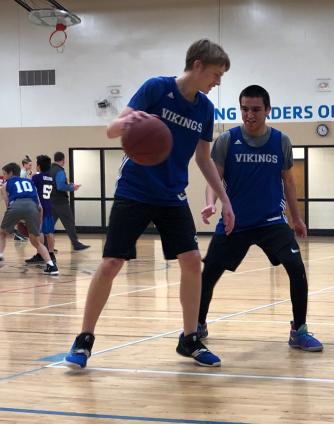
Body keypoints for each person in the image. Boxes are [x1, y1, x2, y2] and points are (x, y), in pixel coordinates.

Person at [64, 39, 234, 369]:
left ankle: (189, 339)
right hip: (135, 189)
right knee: (112, 263)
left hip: (172, 195)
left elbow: (202, 157)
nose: (218, 82)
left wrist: (224, 199)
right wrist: (128, 122)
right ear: (197, 65)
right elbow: (111, 131)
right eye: (216, 74)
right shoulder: (156, 88)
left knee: (192, 261)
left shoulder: (204, 109)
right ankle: (84, 338)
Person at [198, 85, 323, 352]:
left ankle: (298, 331)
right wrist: (210, 203)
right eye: (244, 109)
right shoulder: (227, 141)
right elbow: (214, 178)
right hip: (235, 222)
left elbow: (289, 182)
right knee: (207, 275)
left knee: (297, 269)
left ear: (268, 110)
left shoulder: (281, 141)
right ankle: (198, 325)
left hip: (272, 223)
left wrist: (296, 219)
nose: (249, 115)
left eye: (255, 109)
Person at [0, 162, 59, 275]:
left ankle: (0, 256)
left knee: (2, 233)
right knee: (36, 241)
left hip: (16, 205)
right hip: (33, 208)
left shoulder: (6, 185)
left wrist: (17, 219)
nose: (4, 177)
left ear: (11, 173)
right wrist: (39, 225)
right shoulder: (30, 182)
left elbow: (8, 205)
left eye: (4, 174)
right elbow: (40, 207)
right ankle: (52, 267)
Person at [49, 151, 90, 251]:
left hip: (50, 201)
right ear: (63, 160)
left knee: (49, 225)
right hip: (61, 202)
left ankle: (46, 245)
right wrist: (72, 187)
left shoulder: (49, 170)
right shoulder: (59, 171)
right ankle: (76, 244)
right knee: (69, 222)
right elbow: (60, 186)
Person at [25, 155, 56, 264]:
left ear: (38, 166)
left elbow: (30, 188)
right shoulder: (51, 177)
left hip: (39, 208)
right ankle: (51, 254)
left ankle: (40, 254)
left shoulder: (36, 177)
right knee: (50, 232)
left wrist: (29, 177)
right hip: (49, 206)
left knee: (40, 232)